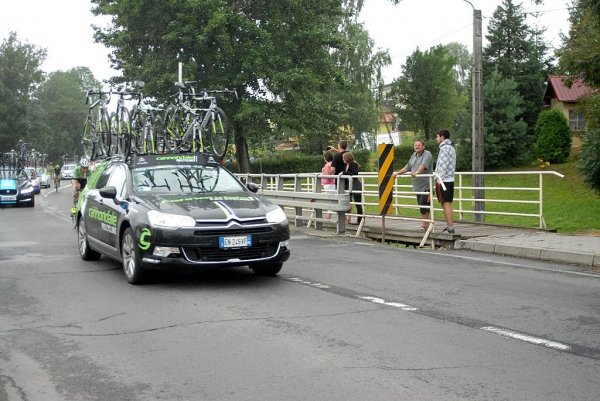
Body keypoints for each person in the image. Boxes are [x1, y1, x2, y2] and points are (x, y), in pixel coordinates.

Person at [394, 140, 434, 230]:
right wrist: (397, 173)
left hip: (426, 186)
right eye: (415, 145)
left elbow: (423, 166)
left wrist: (417, 172)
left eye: (419, 145)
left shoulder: (427, 154)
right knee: (421, 206)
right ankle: (425, 225)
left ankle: (425, 226)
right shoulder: (413, 155)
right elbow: (407, 167)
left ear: (423, 146)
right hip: (417, 186)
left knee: (424, 206)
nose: (417, 146)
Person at [434, 129, 457, 234]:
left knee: (445, 203)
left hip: (444, 180)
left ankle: (450, 227)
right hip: (449, 179)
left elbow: (443, 165)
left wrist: (439, 178)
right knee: (447, 203)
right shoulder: (451, 148)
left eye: (437, 136)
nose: (436, 139)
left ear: (442, 137)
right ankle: (450, 226)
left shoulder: (445, 148)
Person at [340, 151, 363, 224]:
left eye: (344, 158)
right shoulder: (346, 165)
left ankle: (359, 220)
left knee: (357, 203)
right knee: (347, 201)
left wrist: (343, 173)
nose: (343, 159)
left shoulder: (353, 164)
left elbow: (354, 173)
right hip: (349, 186)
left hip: (355, 185)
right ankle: (347, 219)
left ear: (347, 158)